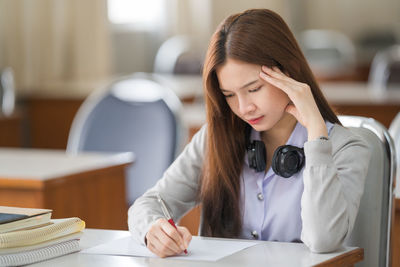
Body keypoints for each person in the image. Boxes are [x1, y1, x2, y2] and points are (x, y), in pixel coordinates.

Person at [128, 8, 370, 258]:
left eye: (254, 89)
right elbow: (149, 203)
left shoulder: (347, 148)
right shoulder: (214, 139)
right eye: (230, 95)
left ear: (290, 70)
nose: (244, 108)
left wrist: (317, 134)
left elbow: (323, 240)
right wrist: (152, 229)